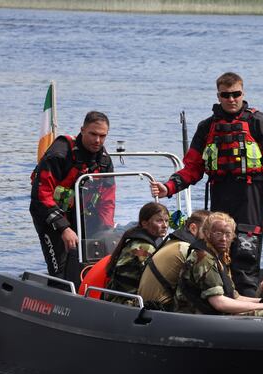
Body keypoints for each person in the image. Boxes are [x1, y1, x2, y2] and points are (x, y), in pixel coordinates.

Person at [149, 72, 263, 297]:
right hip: (220, 194)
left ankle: (248, 308)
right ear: (218, 95)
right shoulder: (207, 127)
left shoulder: (258, 122)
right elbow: (192, 167)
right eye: (226, 95)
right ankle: (220, 301)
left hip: (251, 197)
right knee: (217, 252)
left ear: (243, 93)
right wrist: (168, 187)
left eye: (236, 94)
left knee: (245, 257)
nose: (231, 99)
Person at [30, 111, 115, 286]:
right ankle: (58, 296)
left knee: (94, 263)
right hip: (50, 216)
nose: (97, 140)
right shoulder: (60, 154)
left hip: (83, 216)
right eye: (93, 134)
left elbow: (107, 201)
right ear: (82, 130)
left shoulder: (104, 161)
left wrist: (106, 231)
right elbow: (41, 196)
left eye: (102, 136)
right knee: (61, 270)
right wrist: (63, 228)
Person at [175, 211, 263, 318]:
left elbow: (234, 296)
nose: (223, 239)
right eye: (218, 233)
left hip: (212, 314)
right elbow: (219, 303)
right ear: (207, 234)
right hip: (196, 317)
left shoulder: (219, 257)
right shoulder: (204, 258)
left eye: (228, 234)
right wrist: (261, 306)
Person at [137, 209, 210, 311]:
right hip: (160, 310)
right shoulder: (188, 250)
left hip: (145, 306)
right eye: (208, 231)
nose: (212, 235)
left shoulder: (173, 241)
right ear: (193, 228)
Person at [104, 202, 169, 303]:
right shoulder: (144, 247)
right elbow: (158, 278)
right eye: (159, 221)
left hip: (117, 298)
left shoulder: (136, 239)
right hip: (125, 301)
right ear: (145, 223)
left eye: (166, 221)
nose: (165, 225)